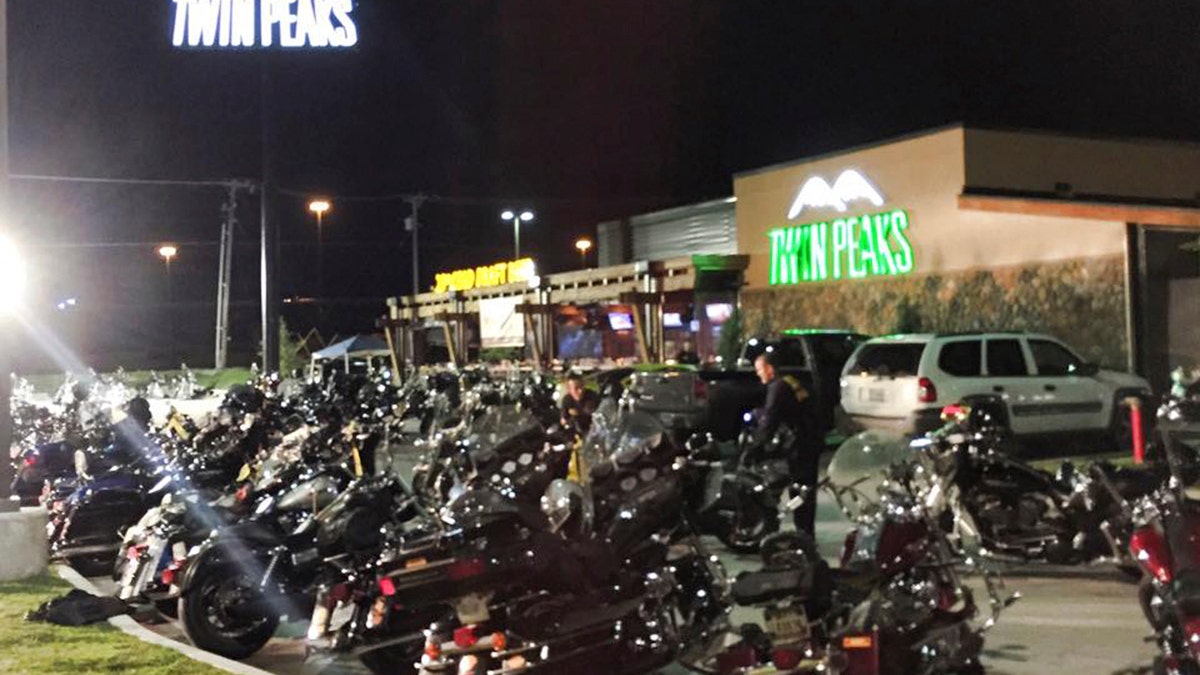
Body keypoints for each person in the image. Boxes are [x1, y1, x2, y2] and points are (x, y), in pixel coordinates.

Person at [753, 351, 821, 536]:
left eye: (759, 370)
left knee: (798, 490)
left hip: (800, 444)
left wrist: (755, 447)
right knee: (805, 491)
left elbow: (770, 419)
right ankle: (806, 532)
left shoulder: (778, 387)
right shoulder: (791, 381)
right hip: (811, 440)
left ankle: (803, 535)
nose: (758, 374)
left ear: (769, 369)